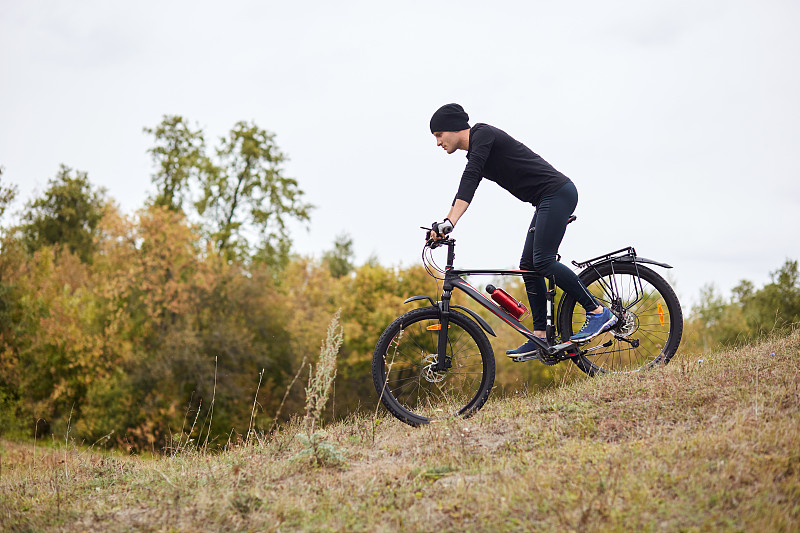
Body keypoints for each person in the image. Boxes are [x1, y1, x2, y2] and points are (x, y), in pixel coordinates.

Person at [427, 103, 617, 357]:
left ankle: (597, 311)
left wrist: (450, 222)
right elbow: (469, 185)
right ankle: (540, 337)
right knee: (529, 264)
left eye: (439, 135)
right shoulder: (477, 153)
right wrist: (446, 222)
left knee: (543, 260)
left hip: (557, 193)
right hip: (544, 200)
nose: (438, 143)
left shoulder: (483, 134)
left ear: (452, 128)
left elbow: (470, 177)